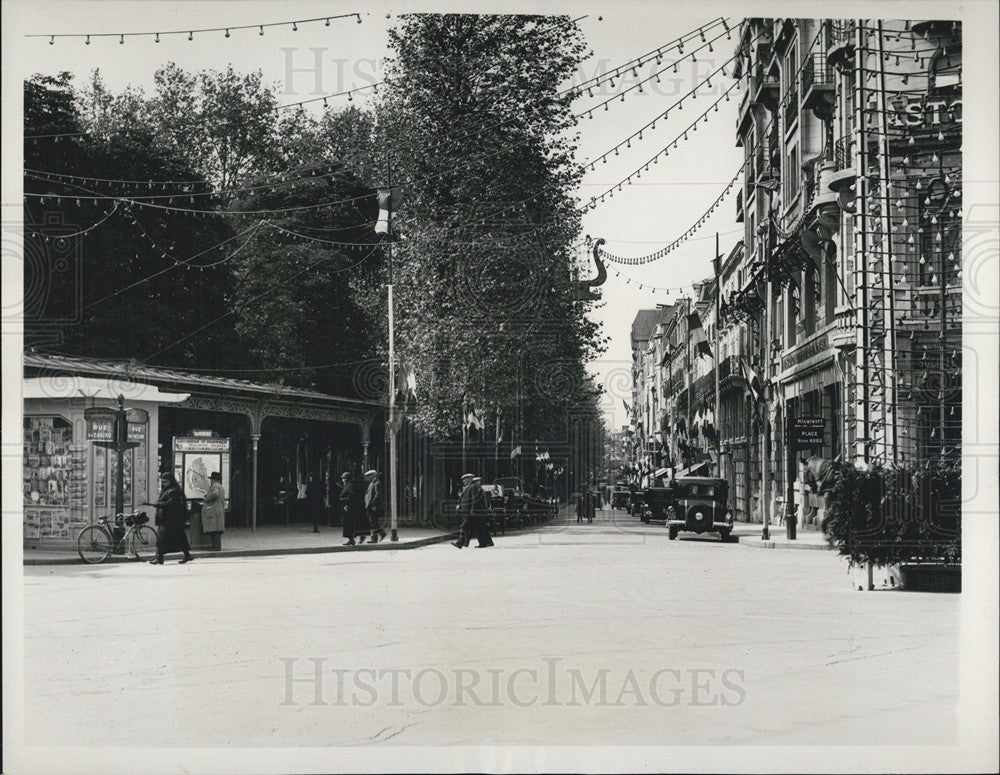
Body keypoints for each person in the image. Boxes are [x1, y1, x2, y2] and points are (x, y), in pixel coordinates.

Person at [150, 471, 193, 565]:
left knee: (162, 538)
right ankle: (186, 554)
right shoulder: (167, 489)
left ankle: (160, 557)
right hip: (168, 519)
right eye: (162, 481)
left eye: (164, 481)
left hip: (171, 519)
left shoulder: (174, 491)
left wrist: (159, 504)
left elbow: (171, 503)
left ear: (170, 481)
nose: (163, 483)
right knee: (179, 538)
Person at [201, 471, 225, 551]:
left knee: (214, 530)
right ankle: (216, 546)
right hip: (218, 509)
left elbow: (215, 494)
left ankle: (215, 547)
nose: (210, 481)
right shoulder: (220, 486)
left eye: (211, 479)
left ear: (214, 480)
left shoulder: (215, 486)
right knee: (216, 529)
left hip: (213, 510)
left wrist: (206, 498)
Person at [339, 471, 366, 546]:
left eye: (343, 478)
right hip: (350, 508)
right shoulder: (349, 485)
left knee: (348, 524)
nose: (342, 480)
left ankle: (352, 539)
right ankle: (352, 539)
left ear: (346, 479)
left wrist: (347, 504)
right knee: (349, 524)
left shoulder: (350, 485)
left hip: (350, 508)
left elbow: (351, 496)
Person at [452, 473, 476, 548]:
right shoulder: (467, 487)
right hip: (466, 511)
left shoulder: (472, 487)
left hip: (469, 511)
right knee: (471, 527)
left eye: (465, 479)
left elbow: (473, 500)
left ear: (470, 479)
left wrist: (472, 510)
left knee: (464, 527)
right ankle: (465, 542)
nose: (463, 481)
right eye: (463, 480)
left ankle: (460, 543)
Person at [364, 469, 387, 544]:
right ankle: (382, 533)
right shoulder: (372, 483)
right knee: (373, 521)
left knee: (373, 522)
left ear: (373, 475)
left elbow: (378, 494)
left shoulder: (377, 483)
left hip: (373, 505)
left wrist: (373, 503)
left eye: (369, 476)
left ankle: (374, 538)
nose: (367, 478)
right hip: (370, 505)